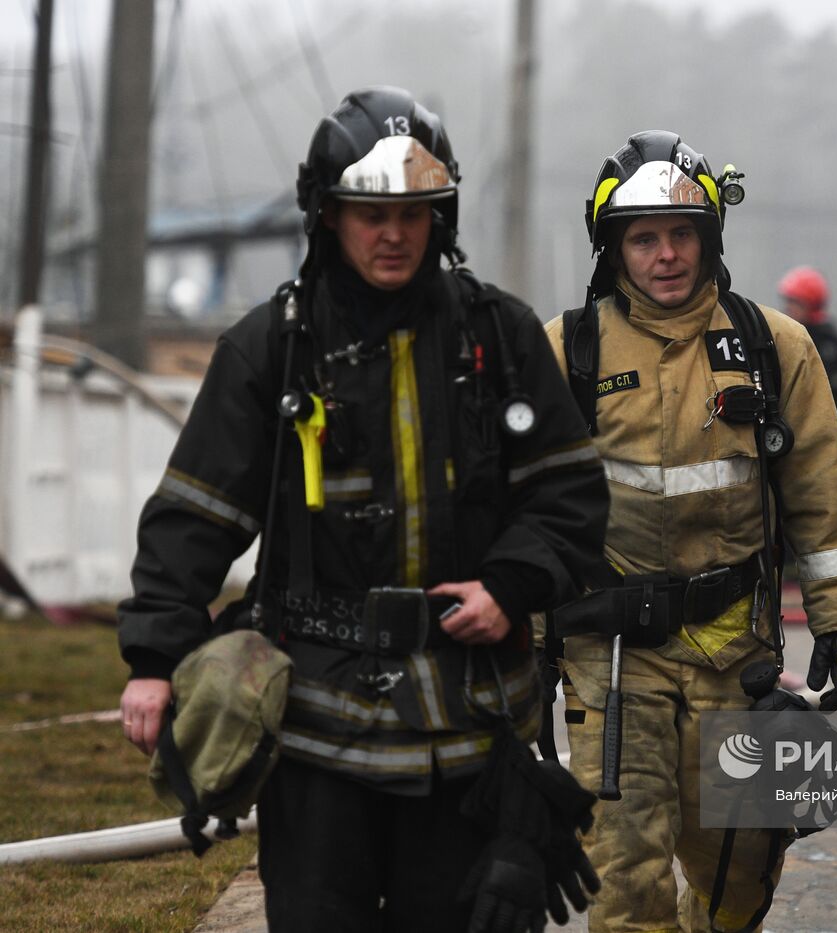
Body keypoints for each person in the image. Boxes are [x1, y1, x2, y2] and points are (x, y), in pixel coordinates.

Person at [117, 87, 610, 932]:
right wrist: (155, 657)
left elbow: (569, 497)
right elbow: (194, 517)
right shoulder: (273, 347)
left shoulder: (500, 339)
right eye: (369, 211)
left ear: (439, 215)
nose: (393, 233)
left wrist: (510, 585)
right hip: (316, 727)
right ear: (327, 214)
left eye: (414, 211)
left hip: (466, 728)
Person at [540, 130, 837, 931]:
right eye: (644, 237)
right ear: (612, 246)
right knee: (623, 874)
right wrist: (524, 643)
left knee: (740, 871)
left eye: (681, 234)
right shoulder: (567, 351)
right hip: (611, 661)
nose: (665, 255)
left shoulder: (773, 348)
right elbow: (532, 511)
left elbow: (823, 494)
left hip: (735, 655)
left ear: (710, 237)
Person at [777, 265, 837, 449]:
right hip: (790, 443)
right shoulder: (780, 343)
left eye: (794, 302)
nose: (787, 308)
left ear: (810, 304)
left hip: (834, 446)